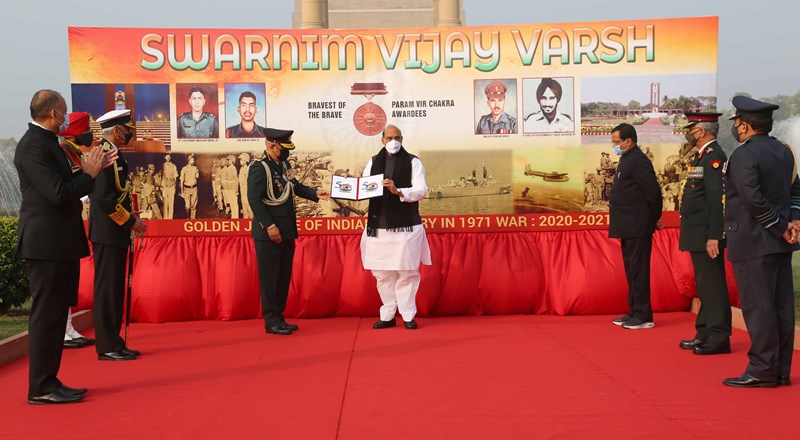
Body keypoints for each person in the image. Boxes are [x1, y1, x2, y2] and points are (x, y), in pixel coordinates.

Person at [15, 89, 114, 404]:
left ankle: (50, 381)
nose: (66, 117)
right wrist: (89, 174)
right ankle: (40, 387)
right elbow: (59, 192)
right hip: (46, 245)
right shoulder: (32, 147)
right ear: (51, 112)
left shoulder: (49, 144)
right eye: (63, 111)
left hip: (61, 243)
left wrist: (88, 173)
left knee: (58, 315)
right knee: (47, 315)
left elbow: (69, 186)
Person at [722, 96, 800, 388]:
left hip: (754, 241)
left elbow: (752, 200)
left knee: (759, 308)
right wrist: (793, 221)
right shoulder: (783, 151)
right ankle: (779, 370)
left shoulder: (743, 155)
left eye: (736, 123)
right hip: (780, 242)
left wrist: (782, 227)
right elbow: (796, 191)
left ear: (743, 126)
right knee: (780, 308)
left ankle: (762, 369)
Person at [247, 128, 330, 335]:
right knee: (270, 278)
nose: (287, 153)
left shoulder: (284, 165)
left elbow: (294, 186)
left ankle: (279, 316)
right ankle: (271, 320)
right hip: (269, 233)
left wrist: (315, 194)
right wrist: (270, 226)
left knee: (283, 276)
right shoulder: (260, 168)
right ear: (272, 146)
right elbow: (254, 200)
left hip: (287, 230)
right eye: (283, 148)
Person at [360, 124, 432, 330]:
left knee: (407, 271)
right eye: (389, 137)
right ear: (382, 140)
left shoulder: (413, 162)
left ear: (402, 139)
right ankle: (388, 314)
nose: (394, 141)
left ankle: (408, 315)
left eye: (397, 137)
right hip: (378, 225)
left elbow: (421, 190)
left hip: (406, 226)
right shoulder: (373, 162)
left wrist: (398, 190)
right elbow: (365, 187)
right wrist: (350, 185)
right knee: (382, 273)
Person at [89, 109, 147, 361]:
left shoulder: (112, 153)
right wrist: (131, 221)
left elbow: (121, 192)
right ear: (116, 130)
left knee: (115, 289)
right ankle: (107, 345)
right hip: (107, 231)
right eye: (127, 129)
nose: (130, 133)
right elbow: (102, 198)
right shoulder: (103, 154)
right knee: (107, 289)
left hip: (115, 231)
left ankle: (114, 341)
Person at [677, 112, 732, 355]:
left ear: (701, 131)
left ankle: (719, 336)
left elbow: (717, 200)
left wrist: (714, 235)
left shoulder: (713, 158)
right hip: (697, 231)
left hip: (706, 233)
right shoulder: (701, 157)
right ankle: (704, 332)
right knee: (704, 284)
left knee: (712, 285)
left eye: (691, 128)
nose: (688, 133)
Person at [608, 123, 663, 329]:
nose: (613, 145)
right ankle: (634, 311)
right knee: (631, 270)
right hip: (628, 226)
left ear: (628, 141)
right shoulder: (627, 159)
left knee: (639, 271)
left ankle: (644, 316)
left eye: (616, 142)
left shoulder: (639, 160)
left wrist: (655, 217)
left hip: (638, 226)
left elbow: (653, 192)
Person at [180, 154, 199, 218]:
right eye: (192, 160)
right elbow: (181, 181)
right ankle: (187, 218)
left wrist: (197, 172)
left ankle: (192, 219)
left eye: (193, 160)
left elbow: (197, 177)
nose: (193, 161)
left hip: (194, 189)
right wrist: (182, 192)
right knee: (187, 206)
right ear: (189, 160)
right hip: (186, 189)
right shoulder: (184, 169)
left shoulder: (195, 168)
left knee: (193, 206)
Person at [161, 153, 178, 219]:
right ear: (164, 157)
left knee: (171, 204)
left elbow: (175, 177)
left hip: (171, 186)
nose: (168, 157)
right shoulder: (163, 165)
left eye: (169, 156)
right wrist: (162, 187)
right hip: (165, 186)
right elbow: (162, 176)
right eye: (166, 156)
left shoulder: (173, 166)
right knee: (165, 204)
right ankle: (165, 218)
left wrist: (174, 186)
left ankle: (170, 219)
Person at [239, 153, 253, 218]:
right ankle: (245, 218)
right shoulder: (241, 169)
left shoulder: (247, 169)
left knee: (248, 204)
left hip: (246, 188)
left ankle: (251, 218)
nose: (240, 161)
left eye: (241, 160)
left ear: (245, 160)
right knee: (243, 204)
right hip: (242, 188)